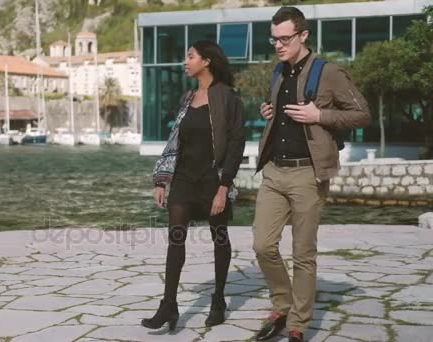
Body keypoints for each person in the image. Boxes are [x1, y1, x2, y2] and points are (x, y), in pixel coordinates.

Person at [252, 7, 371, 342]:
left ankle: (298, 324)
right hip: (275, 171)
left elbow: (362, 114)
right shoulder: (279, 72)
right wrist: (269, 111)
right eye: (274, 39)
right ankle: (282, 303)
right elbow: (280, 111)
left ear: (304, 35)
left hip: (309, 174)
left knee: (303, 253)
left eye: (285, 38)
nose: (278, 45)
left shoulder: (329, 71)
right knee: (262, 245)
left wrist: (320, 114)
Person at [142, 40, 246, 331]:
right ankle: (169, 306)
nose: (185, 62)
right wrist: (162, 179)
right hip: (185, 179)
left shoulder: (228, 97)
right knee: (175, 238)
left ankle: (218, 300)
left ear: (207, 61)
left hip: (213, 179)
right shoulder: (187, 97)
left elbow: (237, 143)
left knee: (219, 236)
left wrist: (224, 187)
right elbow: (176, 139)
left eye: (190, 56)